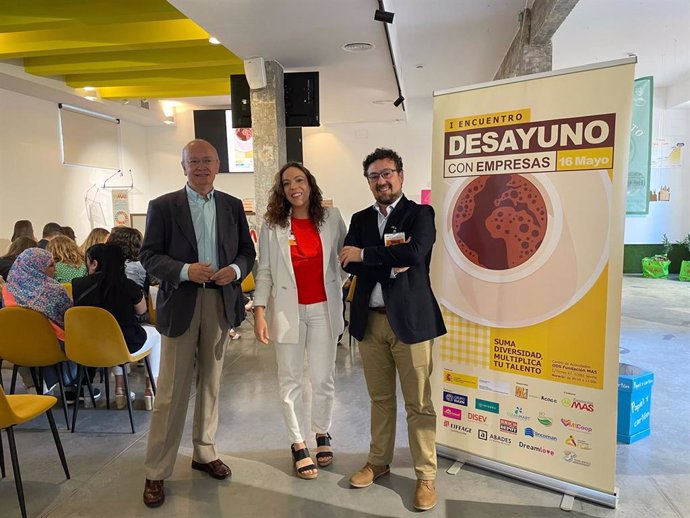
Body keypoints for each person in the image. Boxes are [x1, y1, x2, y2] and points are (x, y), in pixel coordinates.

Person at [139, 139, 255, 508]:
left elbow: (247, 253)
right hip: (182, 303)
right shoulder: (162, 206)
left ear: (218, 164)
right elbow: (149, 256)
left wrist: (235, 271)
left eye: (207, 160)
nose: (201, 167)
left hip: (220, 302)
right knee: (171, 391)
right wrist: (186, 270)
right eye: (194, 161)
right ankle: (156, 471)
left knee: (211, 383)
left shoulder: (232, 206)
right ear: (183, 166)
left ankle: (204, 452)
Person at [339, 148, 446, 512]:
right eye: (374, 176)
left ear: (400, 175)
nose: (381, 181)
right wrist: (386, 263)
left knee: (418, 403)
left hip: (412, 324)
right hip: (371, 324)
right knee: (380, 399)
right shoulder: (360, 218)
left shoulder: (420, 214)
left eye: (387, 173)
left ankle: (426, 476)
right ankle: (378, 462)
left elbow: (415, 254)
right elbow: (347, 262)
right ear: (367, 181)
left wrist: (368, 257)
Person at [253, 162, 347, 480]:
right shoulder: (273, 224)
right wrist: (260, 311)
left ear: (310, 184)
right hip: (287, 311)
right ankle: (297, 442)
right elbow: (264, 270)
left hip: (323, 308)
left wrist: (336, 282)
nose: (294, 186)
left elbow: (344, 258)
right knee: (289, 381)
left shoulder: (332, 218)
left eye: (300, 180)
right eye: (287, 182)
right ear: (281, 190)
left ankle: (322, 434)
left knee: (323, 379)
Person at [72, 244, 160, 410]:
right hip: (124, 344)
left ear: (95, 263)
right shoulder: (129, 286)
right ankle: (150, 390)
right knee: (155, 335)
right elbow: (142, 311)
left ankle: (120, 390)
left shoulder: (78, 285)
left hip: (88, 346)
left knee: (109, 337)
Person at [1, 248, 74, 392]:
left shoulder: (7, 291)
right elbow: (68, 318)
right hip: (52, 347)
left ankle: (33, 384)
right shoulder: (54, 291)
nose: (56, 270)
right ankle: (72, 387)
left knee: (20, 337)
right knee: (77, 338)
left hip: (16, 348)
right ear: (37, 267)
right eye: (51, 265)